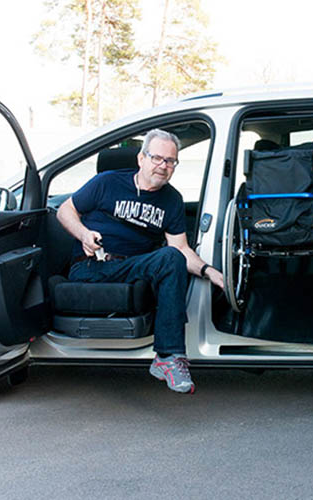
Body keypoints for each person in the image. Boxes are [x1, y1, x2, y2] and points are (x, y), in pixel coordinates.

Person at [57, 129, 224, 394]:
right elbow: (65, 210)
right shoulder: (106, 182)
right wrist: (84, 234)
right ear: (141, 159)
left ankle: (167, 358)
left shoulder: (172, 199)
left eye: (170, 161)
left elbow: (180, 249)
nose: (163, 166)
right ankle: (170, 356)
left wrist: (209, 271)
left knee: (170, 256)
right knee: (168, 257)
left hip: (134, 268)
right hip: (92, 266)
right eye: (157, 158)